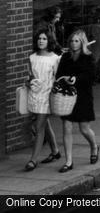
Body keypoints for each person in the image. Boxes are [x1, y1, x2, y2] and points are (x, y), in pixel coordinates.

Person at [55, 30, 99, 172]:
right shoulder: (66, 57)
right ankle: (68, 161)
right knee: (67, 127)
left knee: (84, 129)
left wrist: (76, 79)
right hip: (67, 96)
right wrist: (65, 79)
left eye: (77, 41)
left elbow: (92, 76)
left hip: (83, 95)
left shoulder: (88, 57)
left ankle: (94, 146)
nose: (74, 44)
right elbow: (59, 74)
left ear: (82, 42)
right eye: (72, 41)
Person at [24, 30, 61, 171]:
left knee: (39, 127)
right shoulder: (32, 57)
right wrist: (29, 82)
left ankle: (33, 160)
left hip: (47, 95)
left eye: (44, 38)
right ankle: (55, 151)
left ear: (49, 41)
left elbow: (58, 78)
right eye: (39, 38)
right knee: (44, 124)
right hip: (35, 95)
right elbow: (30, 77)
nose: (41, 41)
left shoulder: (55, 58)